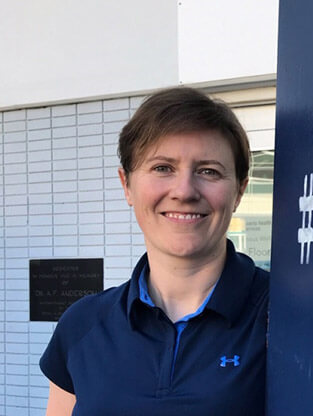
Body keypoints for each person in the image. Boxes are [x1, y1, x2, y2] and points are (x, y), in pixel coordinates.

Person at [40, 87, 269, 415]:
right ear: (126, 185)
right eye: (163, 168)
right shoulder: (82, 325)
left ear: (239, 191)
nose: (184, 191)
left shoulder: (284, 319)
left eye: (209, 171)